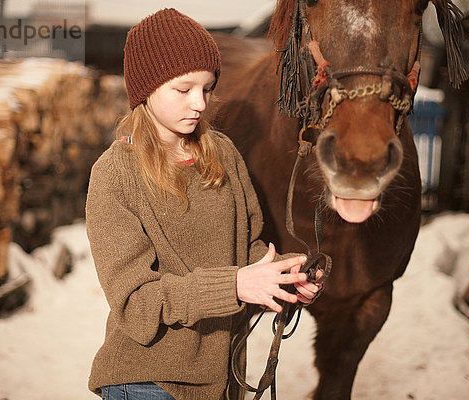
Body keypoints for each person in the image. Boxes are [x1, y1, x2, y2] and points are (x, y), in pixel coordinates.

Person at [85, 8, 321, 400]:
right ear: (146, 88)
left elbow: (247, 251)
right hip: (148, 383)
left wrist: (283, 278)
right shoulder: (114, 175)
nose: (200, 103)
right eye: (183, 89)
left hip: (225, 382)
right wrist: (236, 285)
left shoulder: (223, 153)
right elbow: (137, 305)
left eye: (208, 88)